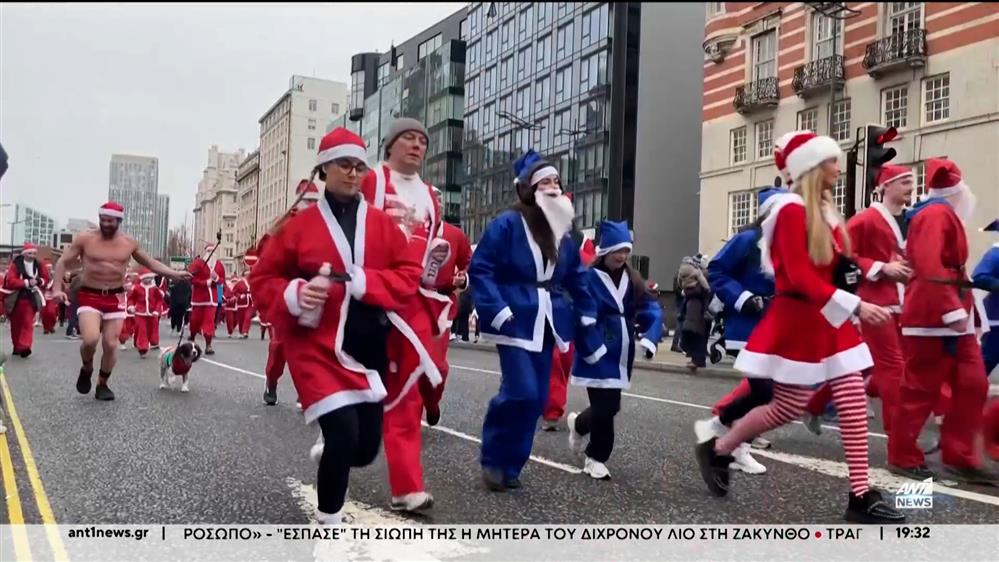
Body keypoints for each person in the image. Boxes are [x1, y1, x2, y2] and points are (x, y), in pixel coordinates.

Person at [694, 132, 905, 524]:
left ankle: (860, 495)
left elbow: (837, 264)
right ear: (812, 166)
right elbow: (798, 277)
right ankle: (719, 449)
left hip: (827, 317)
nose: (839, 168)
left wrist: (875, 271)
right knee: (785, 407)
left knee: (851, 398)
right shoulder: (790, 211)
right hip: (799, 320)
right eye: (832, 161)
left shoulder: (822, 210)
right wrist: (857, 304)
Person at [249, 127, 425, 526]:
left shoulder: (381, 224)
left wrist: (363, 281)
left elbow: (408, 274)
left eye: (359, 166)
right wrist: (296, 292)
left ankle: (336, 453)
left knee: (364, 449)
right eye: (344, 164)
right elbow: (263, 279)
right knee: (343, 432)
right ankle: (328, 522)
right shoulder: (297, 227)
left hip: (368, 342)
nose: (353, 173)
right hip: (317, 346)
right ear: (324, 169)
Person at [469, 149, 598, 491]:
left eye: (556, 181)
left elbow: (577, 277)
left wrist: (587, 312)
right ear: (528, 189)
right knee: (521, 391)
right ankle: (493, 458)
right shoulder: (507, 224)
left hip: (548, 321)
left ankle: (511, 465)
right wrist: (496, 309)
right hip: (514, 318)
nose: (554, 187)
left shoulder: (562, 232)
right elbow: (481, 268)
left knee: (538, 397)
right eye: (545, 182)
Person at [888, 158, 995, 484]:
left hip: (949, 311)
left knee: (973, 383)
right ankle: (903, 455)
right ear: (956, 190)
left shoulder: (939, 214)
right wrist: (950, 309)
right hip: (933, 314)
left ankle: (960, 454)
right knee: (920, 388)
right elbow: (929, 264)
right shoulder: (936, 214)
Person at [358, 118, 445, 511]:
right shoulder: (373, 182)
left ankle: (406, 487)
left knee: (407, 390)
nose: (417, 145)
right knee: (354, 383)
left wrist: (437, 265)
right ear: (390, 144)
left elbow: (429, 251)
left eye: (422, 141)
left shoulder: (431, 196)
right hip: (370, 298)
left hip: (412, 304)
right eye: (408, 138)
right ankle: (337, 433)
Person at [52, 201, 190, 400]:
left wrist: (174, 274)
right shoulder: (85, 239)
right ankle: (87, 367)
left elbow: (151, 263)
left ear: (119, 221)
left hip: (115, 298)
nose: (106, 224)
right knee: (90, 339)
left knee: (110, 344)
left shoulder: (128, 243)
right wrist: (57, 289)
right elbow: (62, 261)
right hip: (90, 295)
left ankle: (102, 384)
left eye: (110, 221)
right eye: (103, 220)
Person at [695, 187, 785, 475]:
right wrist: (744, 298)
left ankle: (720, 426)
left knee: (769, 393)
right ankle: (735, 443)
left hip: (777, 325)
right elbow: (717, 270)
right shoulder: (748, 239)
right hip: (747, 325)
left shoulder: (788, 244)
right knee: (764, 392)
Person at [567, 220, 663, 479]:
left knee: (611, 405)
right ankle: (595, 457)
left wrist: (650, 338)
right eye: (617, 250)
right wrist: (592, 344)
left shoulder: (633, 279)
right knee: (606, 405)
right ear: (605, 251)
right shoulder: (588, 277)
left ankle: (579, 424)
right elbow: (579, 312)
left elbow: (651, 309)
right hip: (596, 349)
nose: (622, 256)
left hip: (621, 352)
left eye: (626, 251)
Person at [260, 180, 321, 406]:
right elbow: (264, 251)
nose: (310, 206)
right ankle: (271, 381)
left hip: (313, 292)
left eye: (314, 201)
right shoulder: (284, 222)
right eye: (307, 201)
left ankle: (306, 390)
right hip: (286, 293)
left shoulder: (325, 224)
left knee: (313, 346)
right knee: (279, 346)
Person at [417, 187, 473, 427]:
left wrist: (464, 278)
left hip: (441, 305)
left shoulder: (454, 235)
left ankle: (431, 402)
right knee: (411, 363)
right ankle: (410, 417)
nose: (435, 205)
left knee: (436, 367)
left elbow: (470, 263)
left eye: (438, 202)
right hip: (412, 302)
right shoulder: (410, 231)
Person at [541, 223, 596, 431]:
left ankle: (550, 407)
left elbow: (586, 274)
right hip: (539, 308)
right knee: (546, 361)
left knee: (561, 361)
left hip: (567, 311)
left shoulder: (578, 246)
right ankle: (546, 408)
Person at [3, 243, 48, 357]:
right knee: (16, 324)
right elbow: (10, 281)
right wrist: (26, 282)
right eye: (30, 253)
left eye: (34, 253)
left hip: (31, 298)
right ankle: (17, 346)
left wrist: (38, 281)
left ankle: (25, 346)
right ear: (24, 254)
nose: (32, 255)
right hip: (16, 298)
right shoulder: (15, 265)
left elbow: (46, 279)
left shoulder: (39, 265)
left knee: (27, 322)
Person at [188, 244, 226, 355]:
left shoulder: (219, 265)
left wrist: (216, 278)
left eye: (212, 251)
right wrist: (204, 283)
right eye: (208, 251)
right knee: (195, 321)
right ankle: (192, 336)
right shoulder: (198, 263)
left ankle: (208, 345)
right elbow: (191, 278)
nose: (211, 253)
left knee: (209, 321)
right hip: (199, 299)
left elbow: (222, 281)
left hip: (212, 299)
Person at [130, 268, 165, 357]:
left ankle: (144, 342)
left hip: (152, 313)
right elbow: (131, 298)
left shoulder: (154, 289)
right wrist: (131, 306)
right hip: (140, 313)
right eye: (146, 278)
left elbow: (159, 300)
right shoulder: (137, 288)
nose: (148, 280)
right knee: (142, 329)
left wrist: (157, 310)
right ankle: (142, 348)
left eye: (150, 278)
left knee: (149, 330)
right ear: (142, 278)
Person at [232, 268, 253, 338]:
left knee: (248, 317)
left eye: (249, 274)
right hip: (241, 303)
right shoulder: (239, 283)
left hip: (250, 302)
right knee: (241, 319)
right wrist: (240, 296)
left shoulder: (252, 282)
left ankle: (245, 331)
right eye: (246, 274)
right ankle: (241, 331)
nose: (248, 275)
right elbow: (234, 292)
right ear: (244, 275)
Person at [40, 261, 60, 334]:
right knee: (44, 314)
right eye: (47, 269)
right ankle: (46, 328)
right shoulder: (42, 279)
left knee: (51, 313)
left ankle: (51, 326)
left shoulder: (55, 279)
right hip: (43, 299)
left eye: (50, 269)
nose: (49, 271)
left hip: (52, 299)